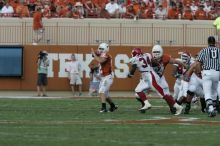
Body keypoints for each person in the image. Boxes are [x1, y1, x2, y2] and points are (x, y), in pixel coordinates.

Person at [128, 47, 183, 115]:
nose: (156, 54)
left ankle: (175, 107)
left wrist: (130, 74)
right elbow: (153, 62)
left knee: (163, 94)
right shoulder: (148, 55)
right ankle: (145, 104)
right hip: (146, 78)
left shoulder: (136, 58)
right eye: (155, 52)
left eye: (158, 52)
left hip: (154, 77)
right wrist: (158, 65)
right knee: (137, 91)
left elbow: (133, 68)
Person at [195, 36, 220, 117]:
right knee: (214, 92)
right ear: (215, 42)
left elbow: (198, 63)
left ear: (208, 42)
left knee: (207, 92)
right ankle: (213, 108)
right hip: (216, 72)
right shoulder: (219, 51)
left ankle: (211, 108)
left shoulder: (204, 50)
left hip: (207, 72)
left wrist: (199, 73)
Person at [91, 42, 118, 113]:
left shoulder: (106, 55)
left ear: (105, 49)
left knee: (101, 91)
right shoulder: (102, 54)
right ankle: (113, 106)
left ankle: (103, 108)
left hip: (108, 76)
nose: (100, 50)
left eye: (101, 48)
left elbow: (100, 60)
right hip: (104, 77)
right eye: (99, 48)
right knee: (105, 94)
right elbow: (97, 57)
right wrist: (95, 54)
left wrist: (94, 54)